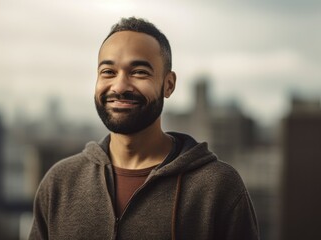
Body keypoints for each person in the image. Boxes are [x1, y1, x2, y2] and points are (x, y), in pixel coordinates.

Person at [29, 17, 259, 240]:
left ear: (168, 85)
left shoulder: (217, 187)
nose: (119, 86)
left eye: (139, 72)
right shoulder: (60, 182)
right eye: (108, 72)